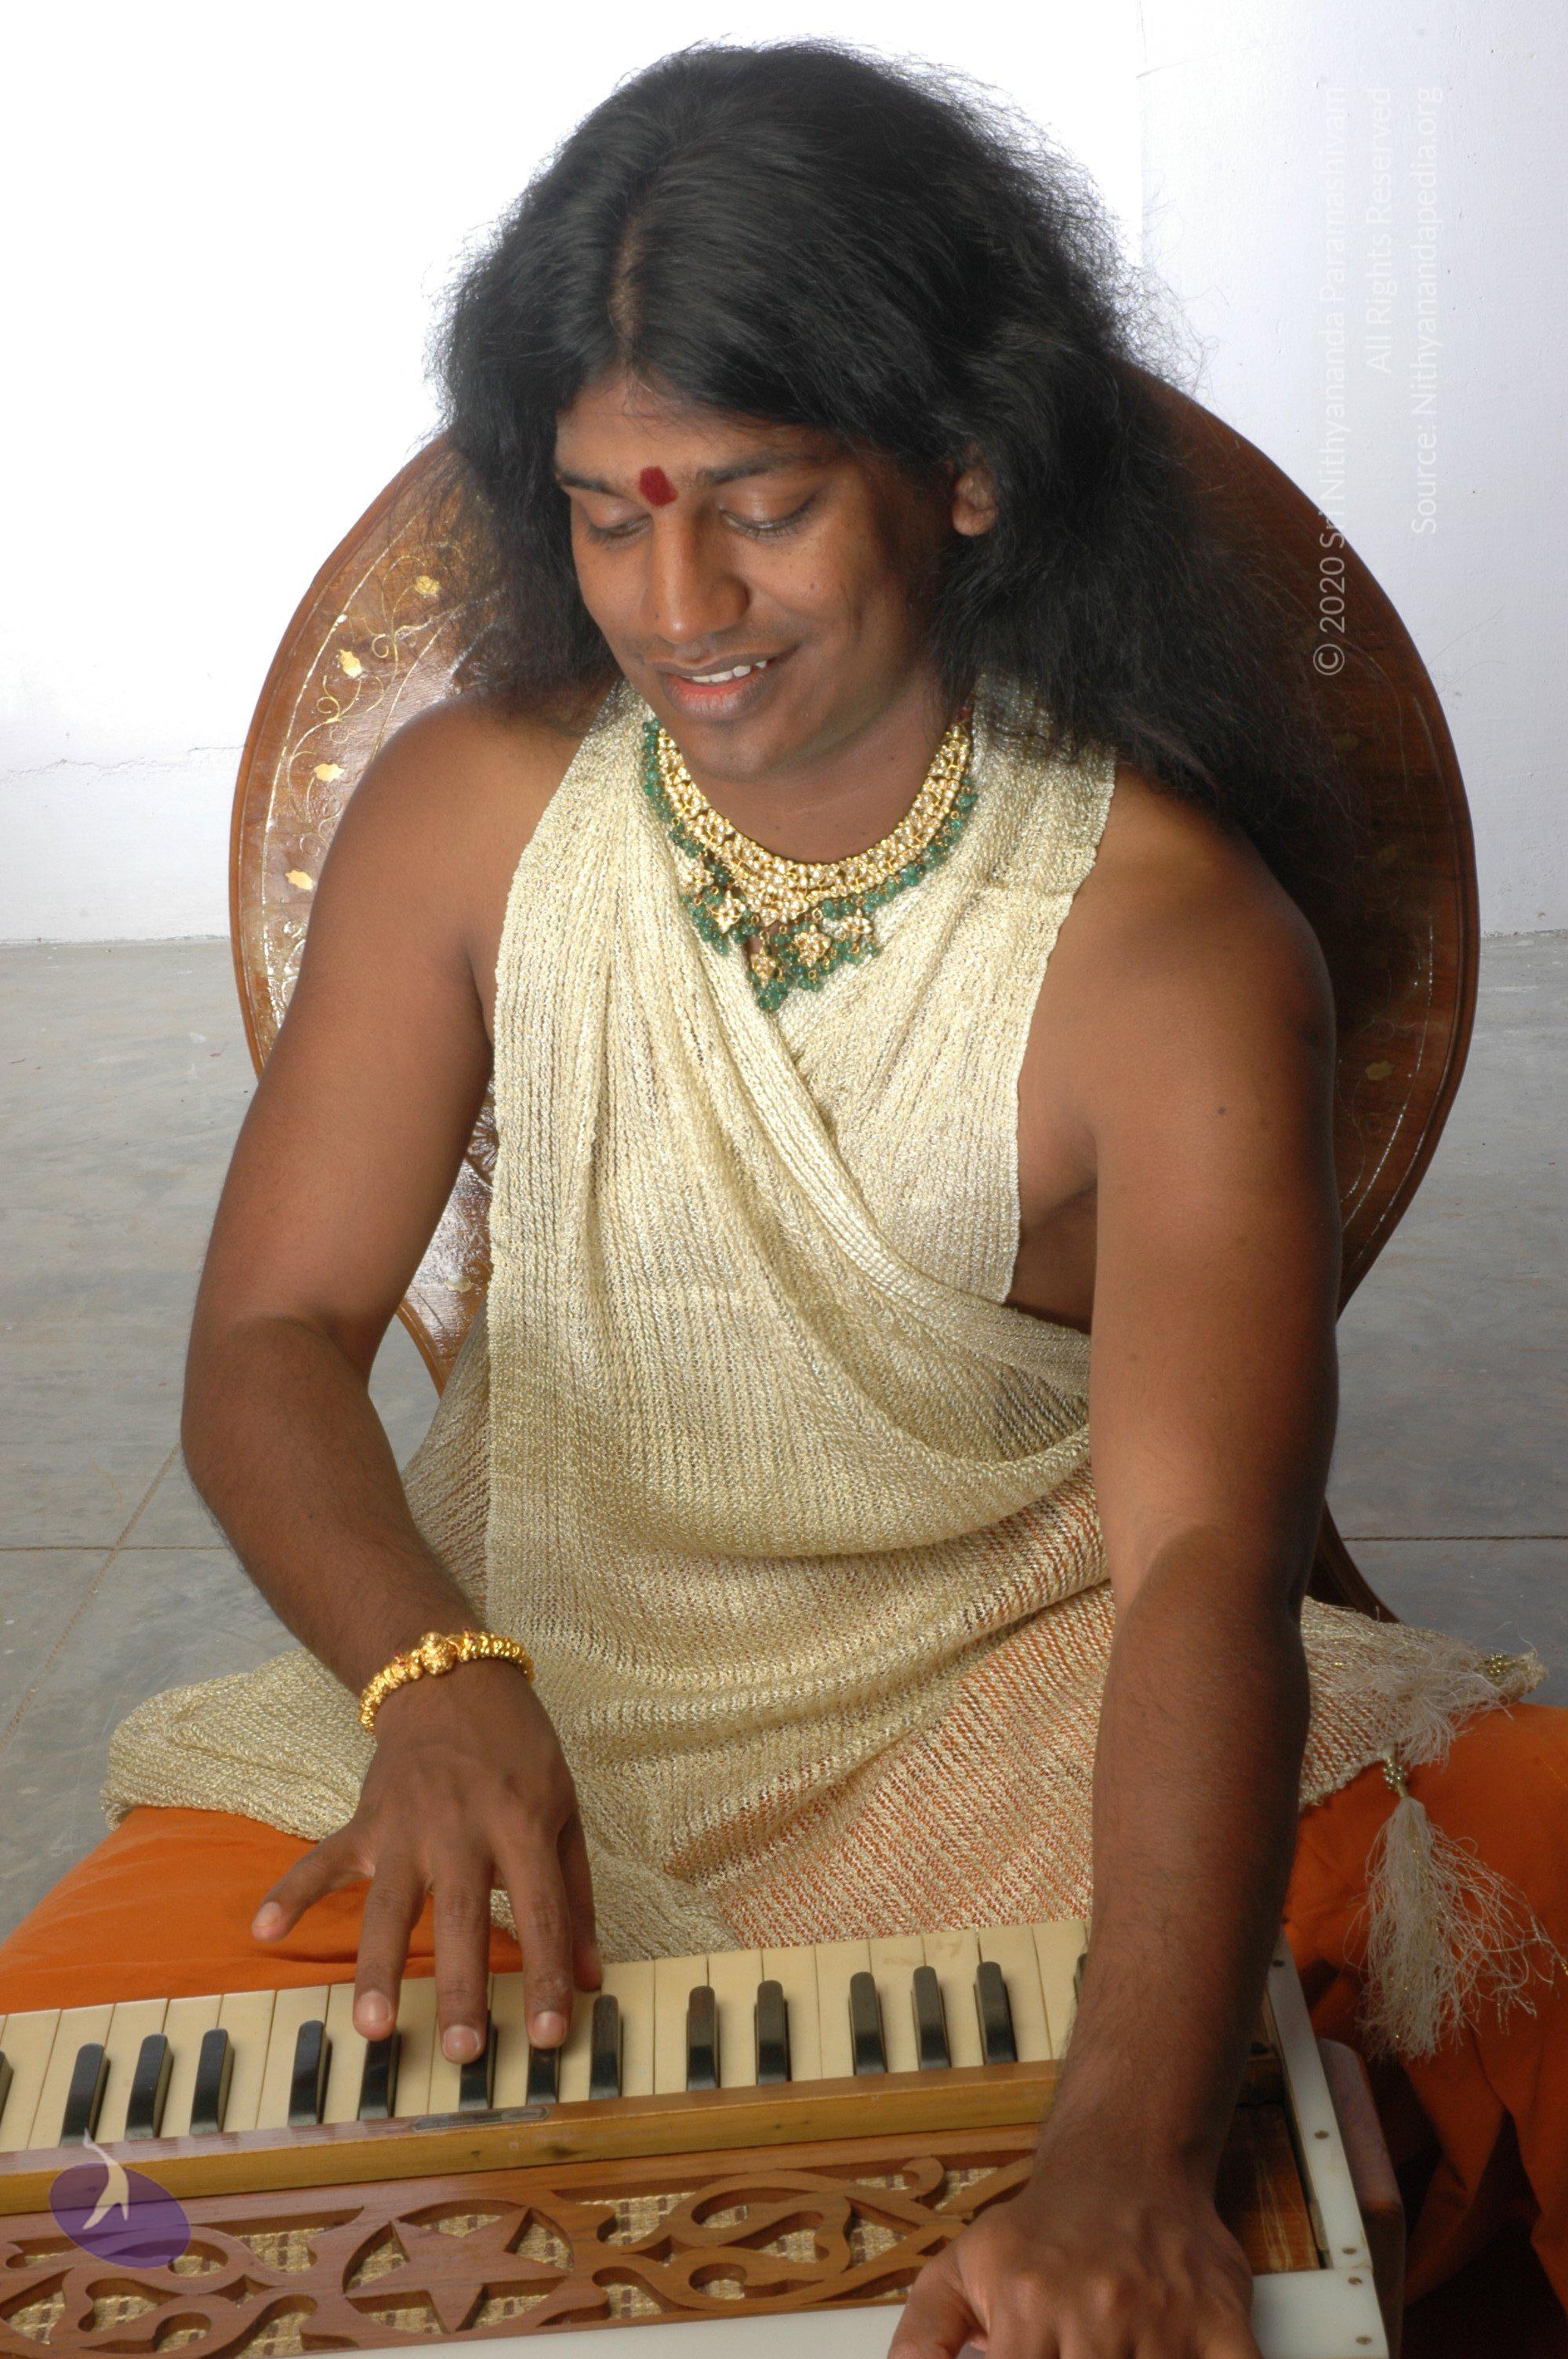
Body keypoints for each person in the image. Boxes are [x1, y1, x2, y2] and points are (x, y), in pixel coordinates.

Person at [2, 38, 1565, 2359]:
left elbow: (1202, 1566)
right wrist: (430, 1674)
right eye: (605, 516)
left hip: (1022, 1705)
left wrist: (1125, 2153)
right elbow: (268, 1340)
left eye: (759, 503)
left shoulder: (1169, 948)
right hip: (515, 1685)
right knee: (91, 2176)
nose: (678, 601)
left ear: (965, 469)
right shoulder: (468, 814)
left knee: (1526, 1894)